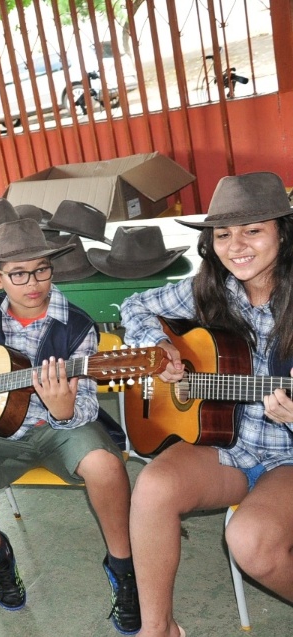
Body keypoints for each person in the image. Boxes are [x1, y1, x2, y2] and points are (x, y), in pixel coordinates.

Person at [0, 218, 141, 635]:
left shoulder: (77, 326)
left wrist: (63, 409)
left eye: (41, 269)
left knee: (106, 467)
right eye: (18, 273)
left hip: (61, 429)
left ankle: (124, 568)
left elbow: (85, 406)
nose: (32, 282)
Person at [120, 171, 293, 637]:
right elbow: (134, 307)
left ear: (283, 230)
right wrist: (162, 347)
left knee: (249, 542)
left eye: (252, 230)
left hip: (289, 460)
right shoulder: (212, 287)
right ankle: (158, 630)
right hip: (231, 446)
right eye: (222, 234)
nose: (235, 245)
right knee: (153, 487)